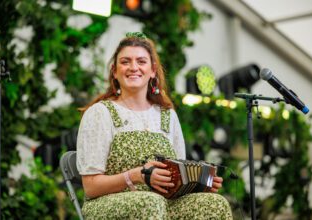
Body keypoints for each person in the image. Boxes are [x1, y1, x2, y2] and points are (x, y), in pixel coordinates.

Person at [76, 32, 233, 219]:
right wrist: (135, 176)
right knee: (149, 202)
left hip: (162, 203)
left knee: (214, 204)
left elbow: (179, 179)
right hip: (108, 203)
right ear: (114, 71)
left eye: (141, 61)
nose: (133, 67)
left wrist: (201, 184)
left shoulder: (167, 115)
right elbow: (91, 187)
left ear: (152, 70)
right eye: (125, 62)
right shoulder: (100, 113)